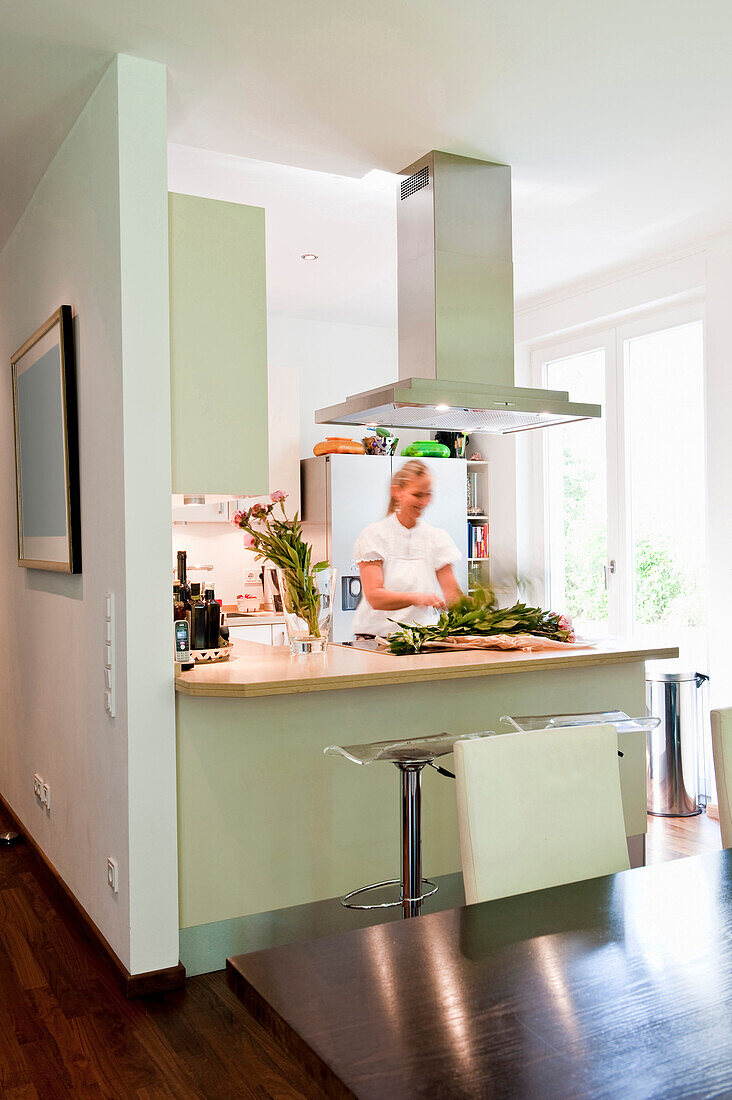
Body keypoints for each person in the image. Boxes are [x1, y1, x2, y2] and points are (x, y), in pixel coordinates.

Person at [351, 459, 462, 638]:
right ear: (397, 492)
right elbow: (375, 597)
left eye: (428, 494)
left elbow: (453, 595)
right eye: (418, 495)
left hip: (422, 638)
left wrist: (476, 603)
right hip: (374, 640)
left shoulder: (437, 538)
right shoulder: (373, 535)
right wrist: (417, 598)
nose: (425, 502)